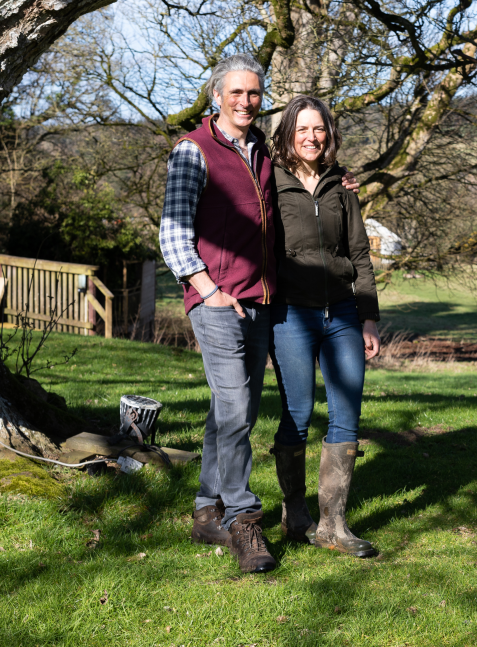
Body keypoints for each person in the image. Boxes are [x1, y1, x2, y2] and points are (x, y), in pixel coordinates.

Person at [158, 56, 358, 574]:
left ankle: (207, 510)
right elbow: (173, 233)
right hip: (220, 303)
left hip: (263, 304)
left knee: (230, 411)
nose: (246, 102)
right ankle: (244, 522)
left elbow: (300, 193)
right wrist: (207, 288)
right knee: (237, 408)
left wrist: (339, 186)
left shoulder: (264, 154)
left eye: (254, 93)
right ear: (216, 95)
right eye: (236, 93)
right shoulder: (193, 151)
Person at [268, 95, 381, 558]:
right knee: (297, 412)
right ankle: (295, 514)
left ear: (329, 134)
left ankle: (333, 525)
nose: (312, 138)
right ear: (288, 133)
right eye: (303, 129)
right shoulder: (269, 183)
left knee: (346, 414)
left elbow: (359, 256)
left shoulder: (342, 186)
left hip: (343, 315)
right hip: (291, 313)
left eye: (320, 130)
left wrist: (369, 317)